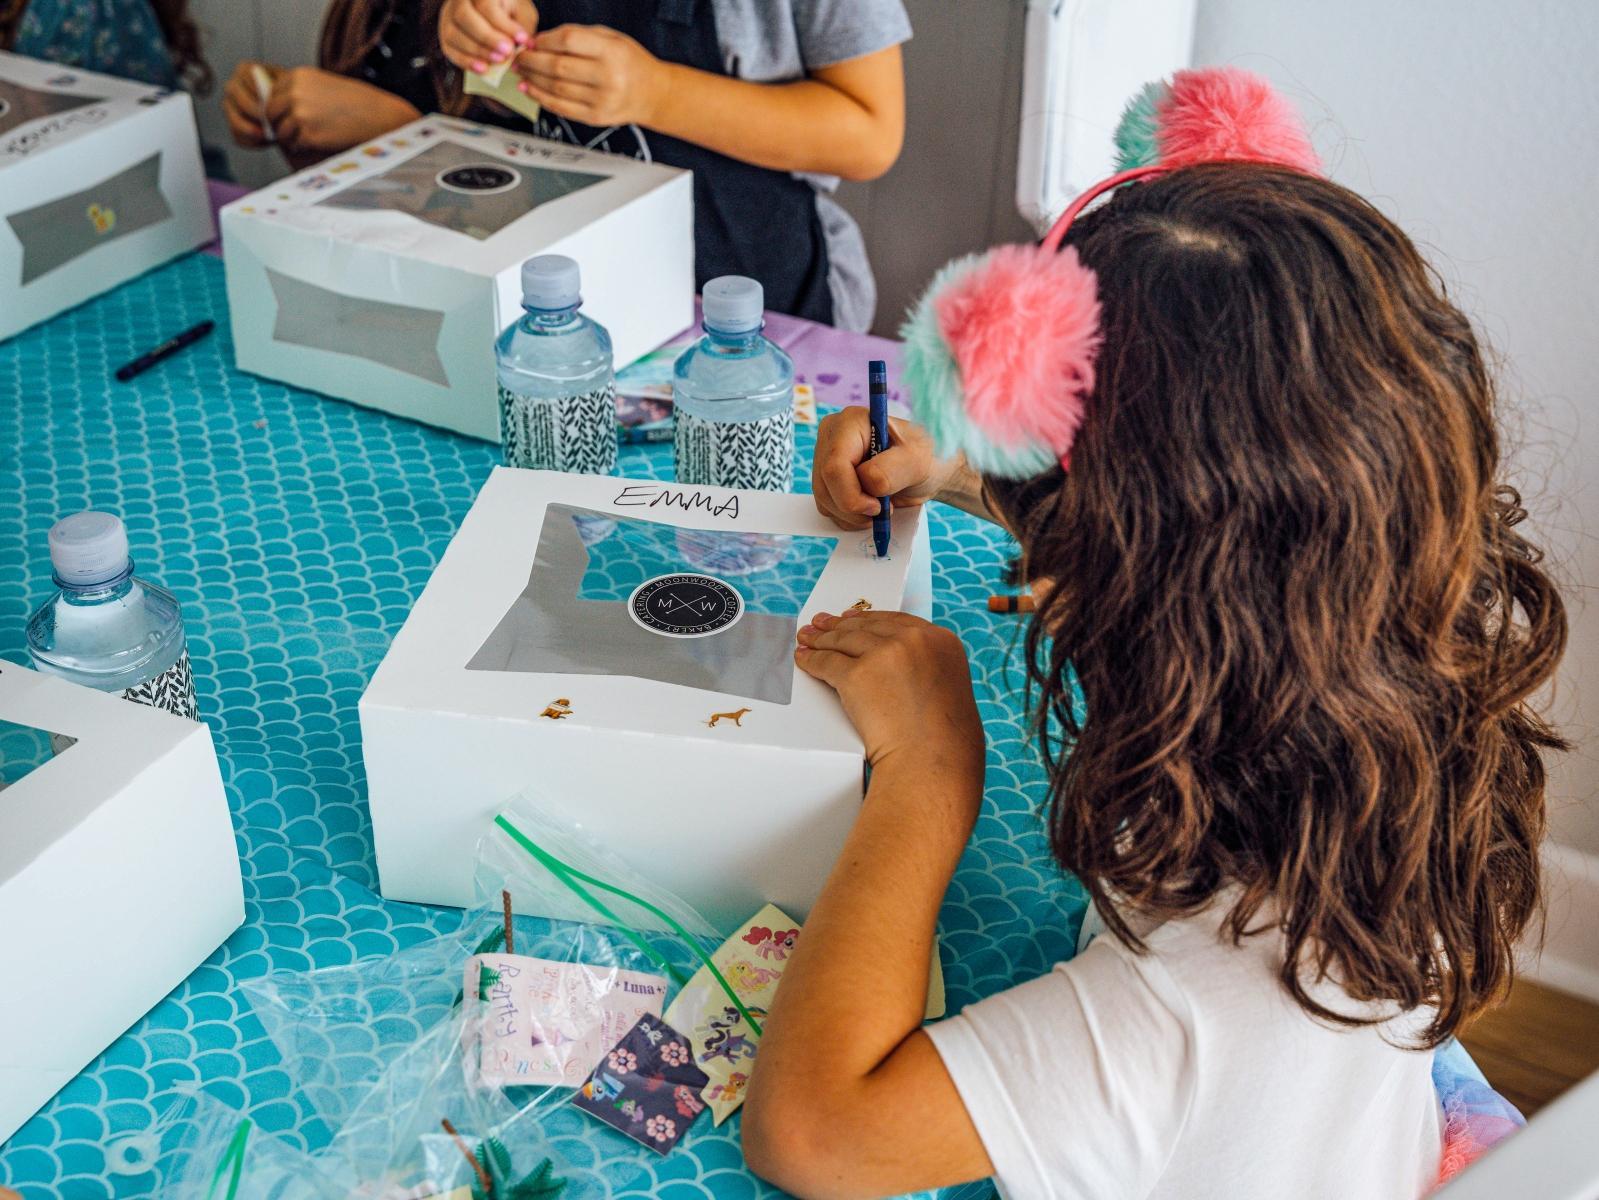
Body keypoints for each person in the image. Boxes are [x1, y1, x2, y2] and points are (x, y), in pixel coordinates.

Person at [739, 69, 1567, 1199]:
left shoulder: (1193, 1011)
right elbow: (1223, 524)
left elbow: (812, 1134)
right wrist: (960, 470)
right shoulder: (1396, 691)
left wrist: (928, 769)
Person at [437, 0, 908, 331]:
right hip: (554, 307)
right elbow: (486, 96)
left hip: (757, 313)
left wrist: (656, 93)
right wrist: (480, 32)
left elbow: (871, 135)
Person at [221, 0, 522, 174]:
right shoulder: (369, 13)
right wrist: (286, 109)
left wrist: (402, 133)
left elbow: (519, 191)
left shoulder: (515, 12)